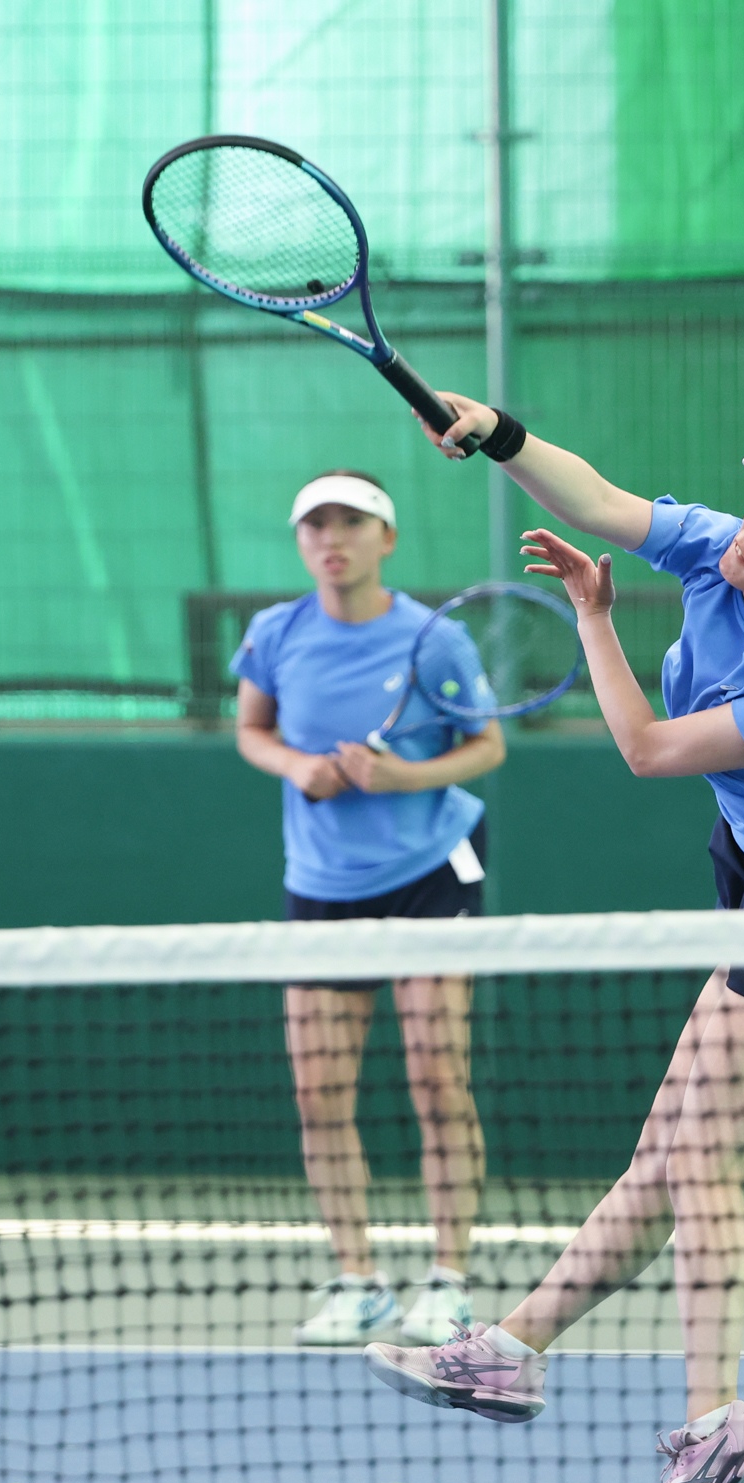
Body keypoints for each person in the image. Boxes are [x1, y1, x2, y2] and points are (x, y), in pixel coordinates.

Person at [361, 397, 744, 1483]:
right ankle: (508, 1353)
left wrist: (593, 619)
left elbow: (645, 749)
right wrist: (499, 432)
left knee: (700, 1162)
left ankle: (717, 1419)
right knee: (663, 1158)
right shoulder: (726, 553)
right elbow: (601, 501)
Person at [232, 470, 505, 1348]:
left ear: (385, 538)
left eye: (350, 522)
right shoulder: (275, 634)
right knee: (318, 1090)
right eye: (315, 525)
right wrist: (296, 766)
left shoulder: (435, 639)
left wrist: (403, 776)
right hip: (324, 883)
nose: (331, 539)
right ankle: (358, 1281)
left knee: (436, 1076)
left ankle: (449, 1282)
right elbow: (252, 731)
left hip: (430, 872)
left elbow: (487, 745)